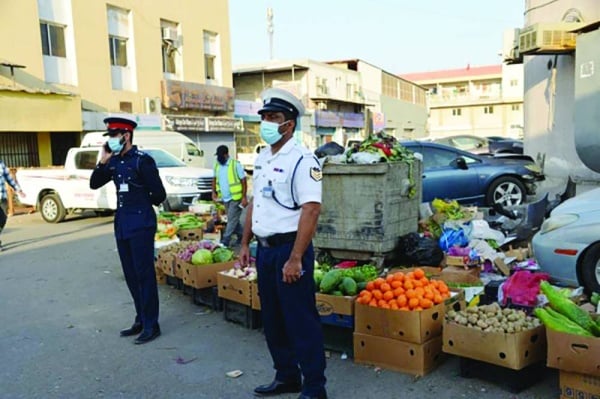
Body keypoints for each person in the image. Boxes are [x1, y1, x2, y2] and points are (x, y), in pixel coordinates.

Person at [239, 88, 327, 399]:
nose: (266, 122)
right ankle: (287, 376)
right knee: (273, 320)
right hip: (265, 251)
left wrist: (296, 258)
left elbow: (312, 209)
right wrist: (245, 243)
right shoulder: (262, 156)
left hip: (290, 250)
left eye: (273, 118)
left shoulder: (303, 160)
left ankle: (315, 387)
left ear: (288, 125)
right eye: (263, 117)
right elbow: (254, 204)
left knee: (300, 321)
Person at [90, 117, 166, 345]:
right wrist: (103, 161)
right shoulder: (113, 162)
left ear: (126, 135)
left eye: (114, 136)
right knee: (131, 275)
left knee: (144, 275)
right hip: (123, 224)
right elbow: (94, 183)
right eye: (109, 136)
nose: (111, 140)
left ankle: (152, 324)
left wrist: (142, 201)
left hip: (141, 225)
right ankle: (140, 318)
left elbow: (159, 195)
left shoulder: (143, 161)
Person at [211, 145, 248, 247]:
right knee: (233, 219)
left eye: (220, 156)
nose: (218, 158)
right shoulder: (217, 165)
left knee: (231, 218)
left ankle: (225, 240)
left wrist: (244, 197)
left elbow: (243, 181)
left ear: (226, 155)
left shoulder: (235, 165)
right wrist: (213, 192)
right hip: (225, 197)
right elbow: (214, 179)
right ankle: (243, 236)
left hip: (236, 198)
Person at [0, 161, 25, 251]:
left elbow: (8, 178)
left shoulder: (1, 164)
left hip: (2, 197)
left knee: (3, 219)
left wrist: (18, 190)